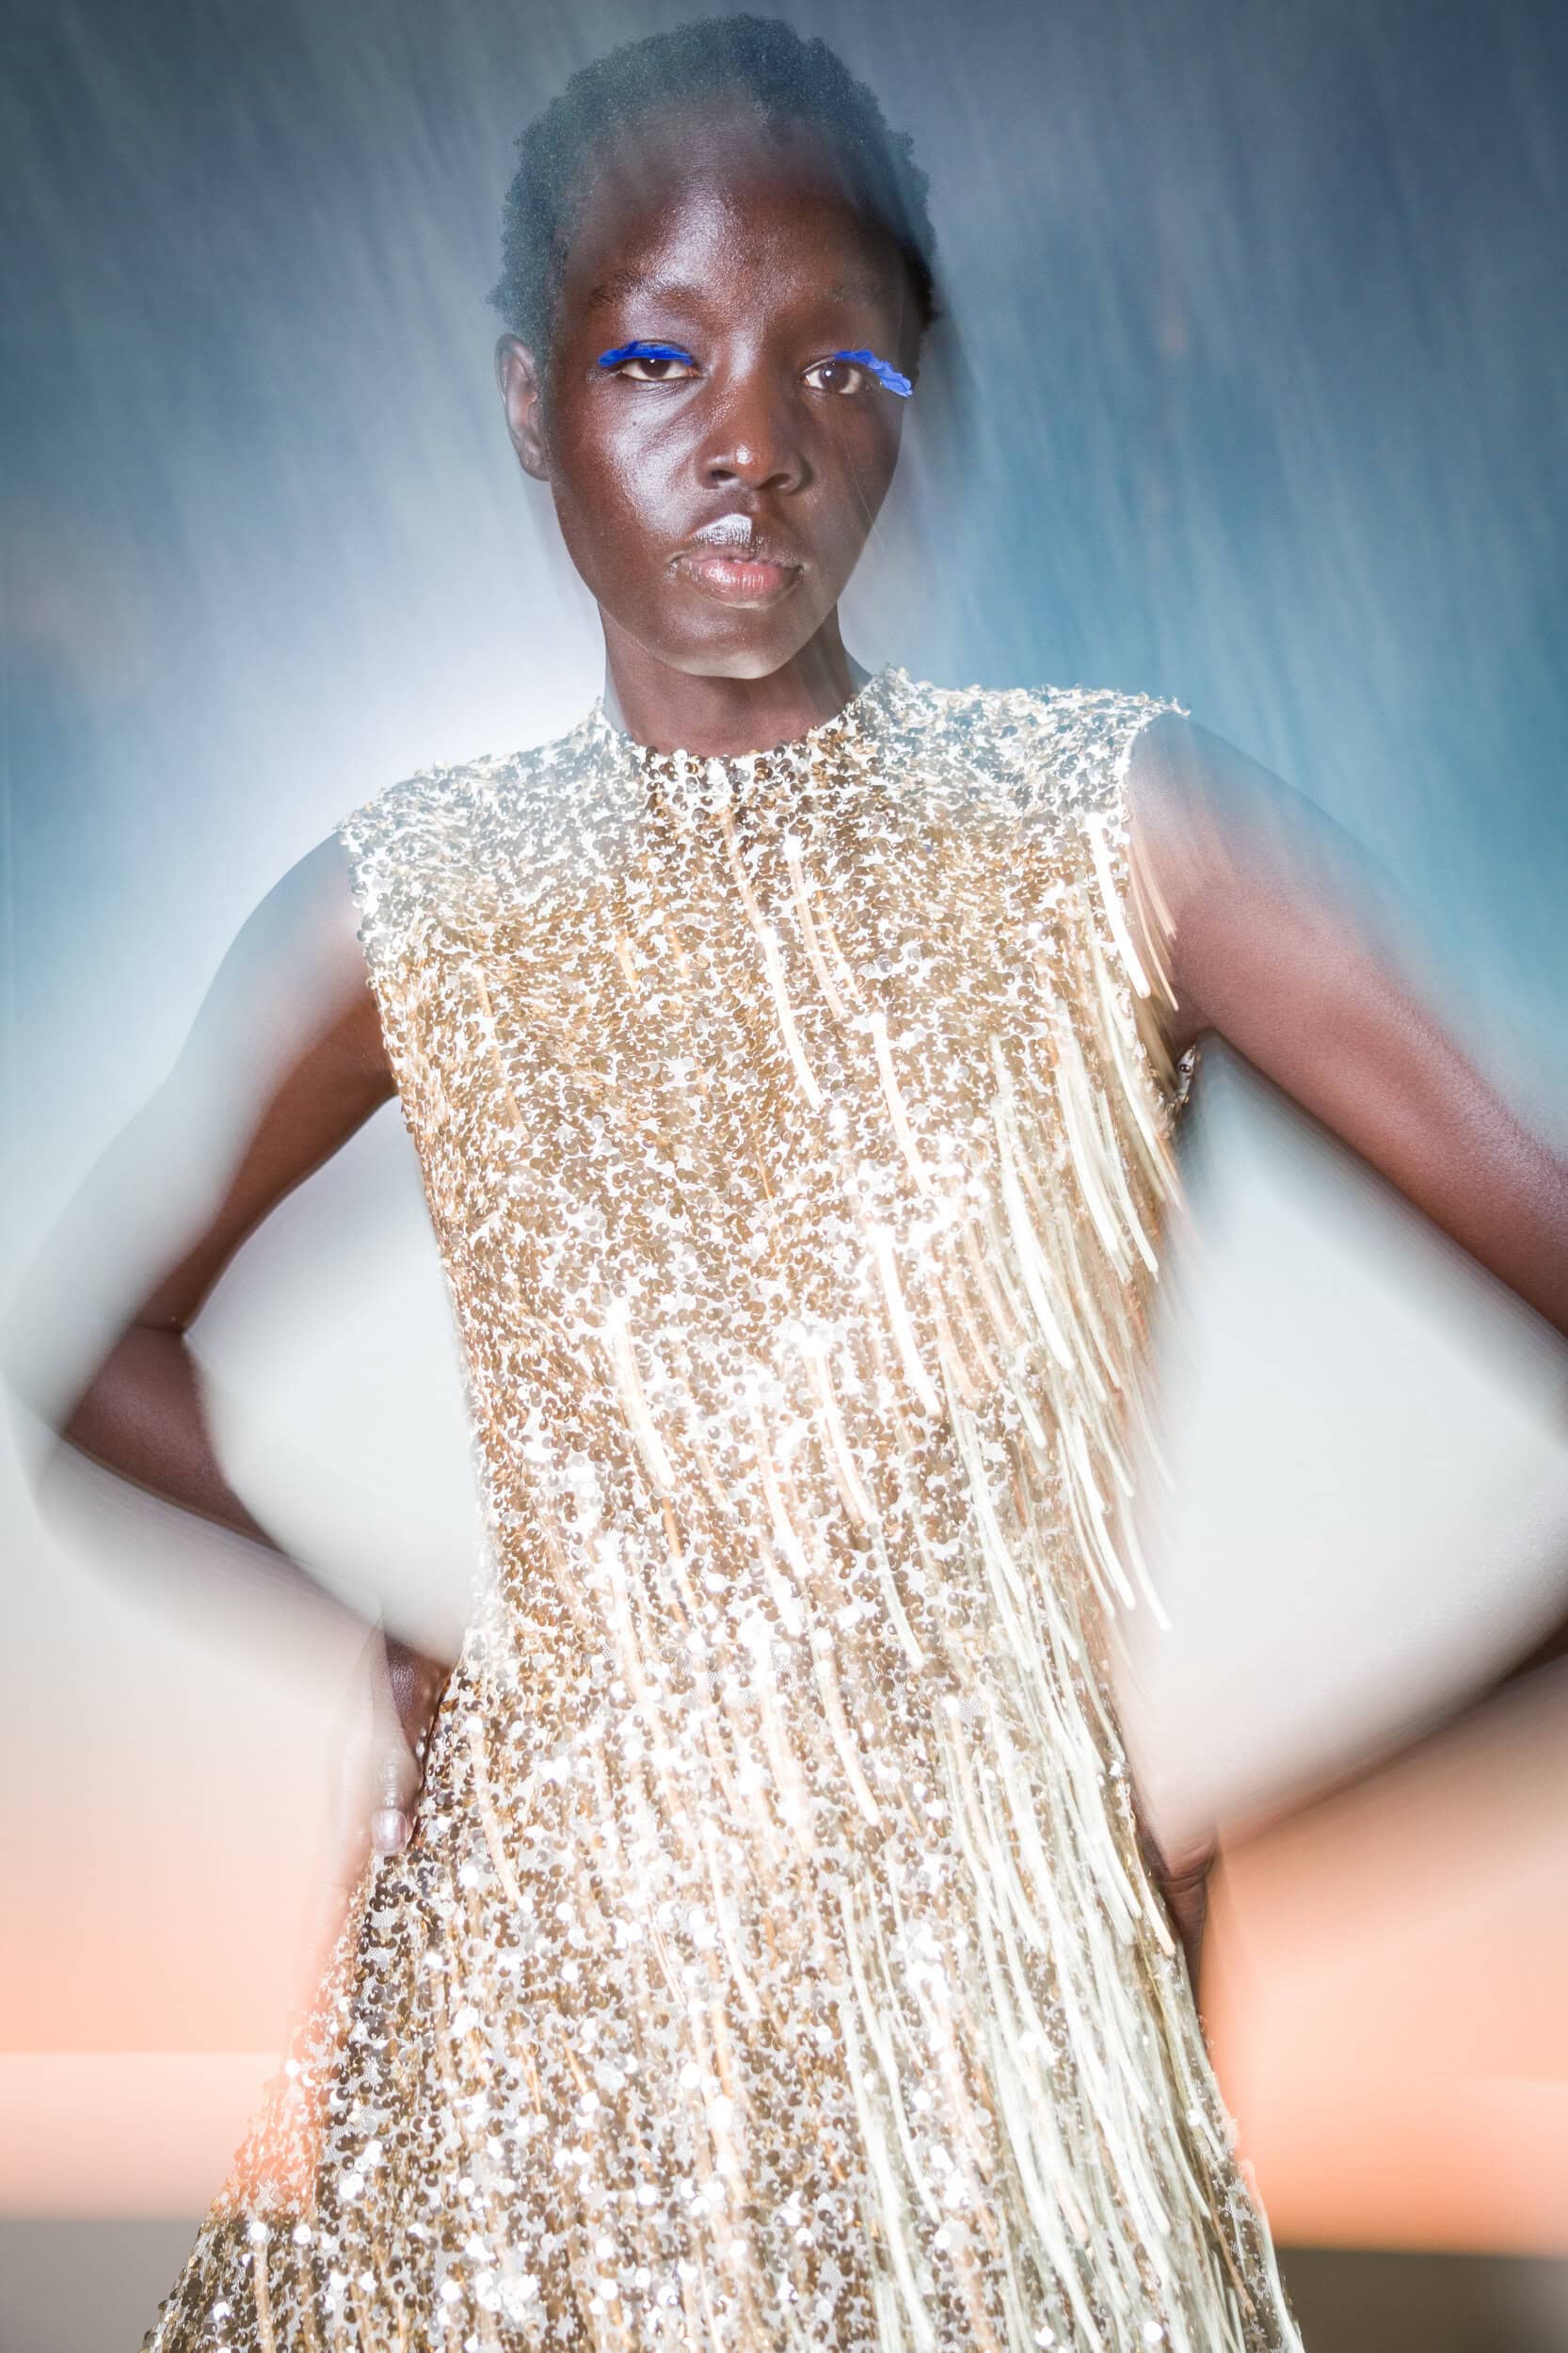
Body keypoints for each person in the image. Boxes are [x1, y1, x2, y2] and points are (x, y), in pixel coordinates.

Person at [29, 15, 1566, 2351]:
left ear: (912, 419)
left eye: (841, 366)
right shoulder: (415, 901)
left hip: (990, 2101)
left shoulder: (1120, 841)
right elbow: (104, 1367)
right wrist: (413, 1653)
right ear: (528, 403)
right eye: (654, 356)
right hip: (501, 2095)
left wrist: (1229, 1836)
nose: (749, 440)